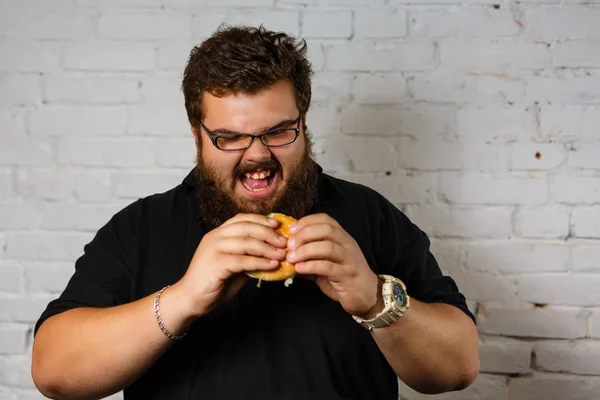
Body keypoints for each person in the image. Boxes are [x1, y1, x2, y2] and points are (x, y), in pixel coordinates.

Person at [31, 25, 479, 400]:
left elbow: (458, 367)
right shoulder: (141, 228)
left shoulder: (368, 215)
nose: (257, 155)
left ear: (303, 122)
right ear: (197, 135)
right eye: (229, 137)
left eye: (279, 131)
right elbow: (53, 371)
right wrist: (184, 298)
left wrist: (372, 297)